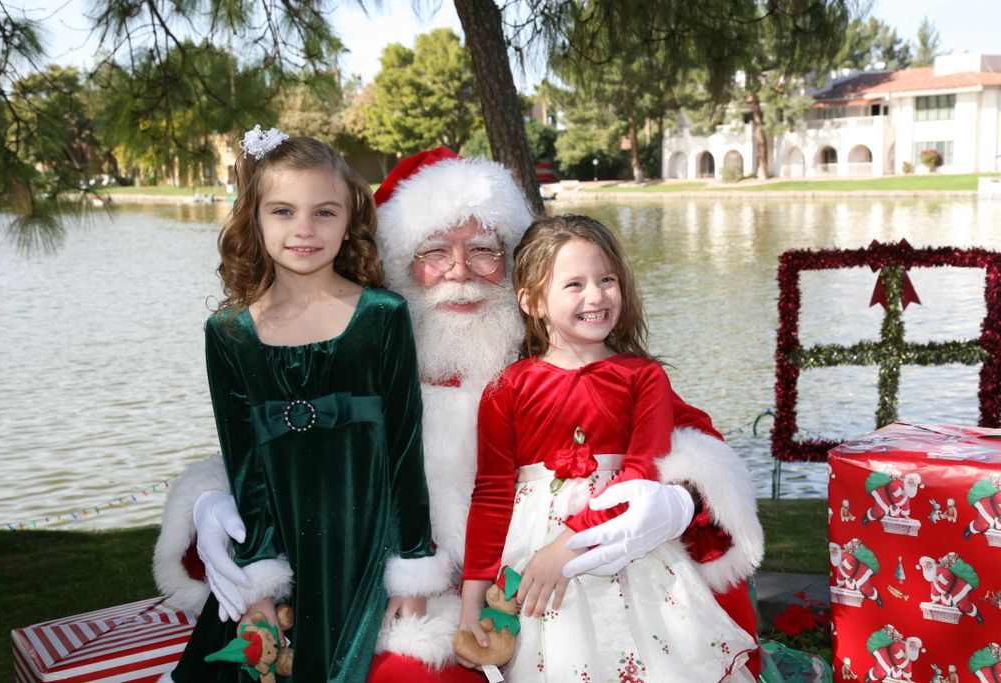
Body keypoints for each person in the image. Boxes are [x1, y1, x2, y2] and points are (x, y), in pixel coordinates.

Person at [153, 147, 764, 681]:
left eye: (483, 251)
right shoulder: (372, 345)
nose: (460, 273)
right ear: (399, 264)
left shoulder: (555, 353)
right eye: (434, 252)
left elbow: (683, 434)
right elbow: (275, 436)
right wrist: (212, 500)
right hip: (409, 595)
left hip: (548, 583)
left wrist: (676, 496)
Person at [166, 127, 435, 682]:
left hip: (362, 540)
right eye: (284, 211)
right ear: (254, 219)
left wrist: (411, 565)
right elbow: (244, 464)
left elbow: (406, 447)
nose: (304, 230)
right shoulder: (230, 334)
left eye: (325, 213)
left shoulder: (382, 316)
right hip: (280, 539)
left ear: (351, 221)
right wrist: (259, 577)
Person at [457, 214, 755, 680]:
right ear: (532, 301)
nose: (595, 296)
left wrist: (566, 546)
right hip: (534, 561)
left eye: (606, 280)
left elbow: (642, 473)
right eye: (574, 284)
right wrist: (472, 596)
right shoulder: (505, 388)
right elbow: (493, 491)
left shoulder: (643, 378)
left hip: (624, 548)